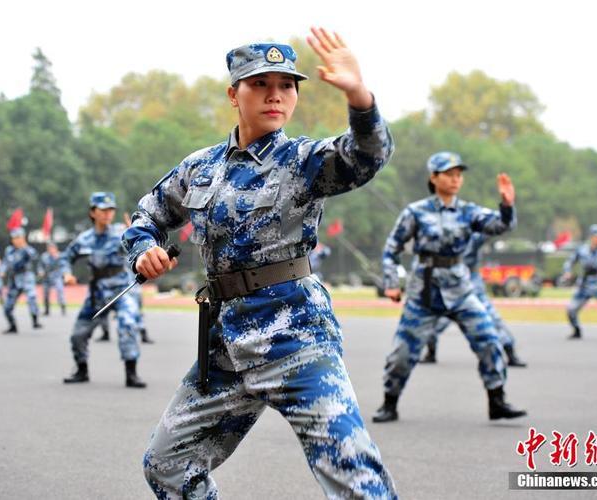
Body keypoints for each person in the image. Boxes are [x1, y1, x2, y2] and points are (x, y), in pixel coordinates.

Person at [123, 29, 398, 498]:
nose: (275, 95)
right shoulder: (199, 168)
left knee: (355, 478)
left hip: (297, 341)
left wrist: (359, 96)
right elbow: (147, 215)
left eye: (287, 85)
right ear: (234, 93)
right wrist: (143, 250)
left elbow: (366, 156)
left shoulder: (303, 160)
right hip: (226, 349)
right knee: (167, 465)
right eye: (260, 84)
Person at [372, 151, 527, 423]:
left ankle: (497, 400)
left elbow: (501, 226)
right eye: (449, 174)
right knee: (403, 353)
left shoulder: (469, 211)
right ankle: (390, 402)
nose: (456, 180)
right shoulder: (415, 212)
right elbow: (391, 250)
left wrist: (507, 204)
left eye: (459, 175)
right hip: (425, 290)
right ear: (434, 177)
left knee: (489, 340)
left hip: (460, 287)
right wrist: (391, 283)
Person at [61, 192, 145, 388]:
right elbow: (65, 258)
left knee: (128, 324)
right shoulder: (85, 239)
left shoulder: (121, 233)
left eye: (111, 210)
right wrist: (67, 274)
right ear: (93, 212)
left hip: (120, 290)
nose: (108, 213)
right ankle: (81, 370)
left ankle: (131, 373)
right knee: (77, 334)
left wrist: (136, 234)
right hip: (97, 294)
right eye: (103, 210)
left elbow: (138, 245)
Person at [420, 232, 527, 367]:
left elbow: (490, 230)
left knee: (492, 320)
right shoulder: (438, 231)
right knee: (433, 321)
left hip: (472, 286)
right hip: (448, 287)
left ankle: (511, 353)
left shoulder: (472, 232)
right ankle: (431, 353)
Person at [1, 227, 43, 333]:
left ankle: (35, 320)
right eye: (14, 238)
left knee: (31, 297)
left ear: (23, 238)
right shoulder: (9, 250)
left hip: (26, 276)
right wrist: (2, 271)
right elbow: (5, 262)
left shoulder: (27, 249)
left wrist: (25, 246)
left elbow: (34, 256)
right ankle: (12, 326)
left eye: (19, 237)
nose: (16, 240)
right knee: (7, 306)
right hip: (14, 279)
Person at [38, 241, 66, 316]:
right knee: (45, 294)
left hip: (57, 276)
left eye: (53, 248)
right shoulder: (44, 256)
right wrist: (41, 272)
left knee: (60, 291)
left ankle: (63, 308)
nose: (51, 250)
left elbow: (64, 266)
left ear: (56, 248)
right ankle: (46, 310)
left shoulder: (60, 256)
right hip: (46, 277)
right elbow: (40, 266)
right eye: (49, 248)